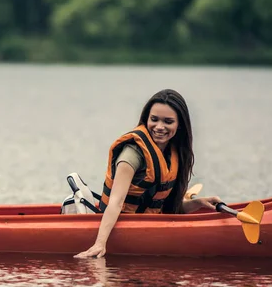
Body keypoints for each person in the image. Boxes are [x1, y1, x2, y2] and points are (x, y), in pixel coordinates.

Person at [75, 89, 221, 258]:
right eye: (154, 119)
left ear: (179, 125)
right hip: (122, 225)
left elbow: (166, 208)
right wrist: (100, 243)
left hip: (149, 223)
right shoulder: (131, 155)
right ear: (146, 119)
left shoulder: (173, 153)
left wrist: (199, 203)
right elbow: (116, 202)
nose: (159, 127)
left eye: (168, 121)